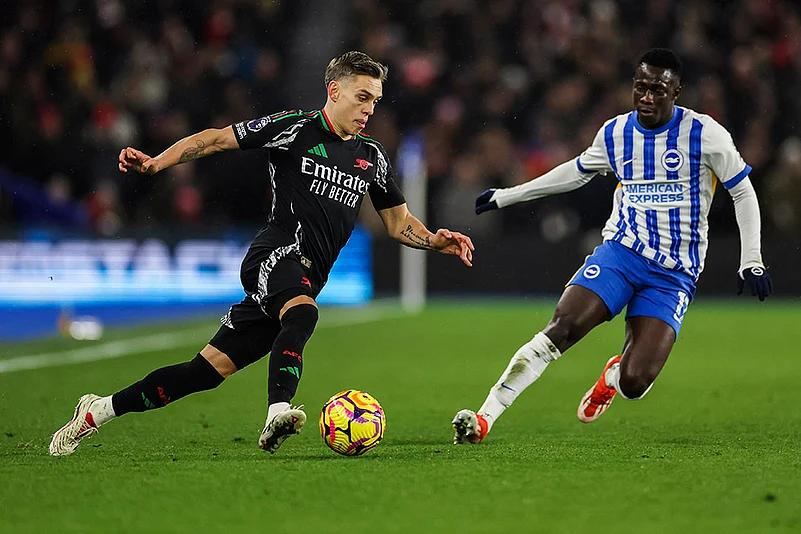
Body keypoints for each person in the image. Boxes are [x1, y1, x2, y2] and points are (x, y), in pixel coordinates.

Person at [49, 51, 475, 456]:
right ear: (334, 90)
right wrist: (157, 164)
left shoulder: (372, 157)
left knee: (203, 372)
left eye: (376, 101)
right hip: (275, 255)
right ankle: (277, 415)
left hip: (307, 276)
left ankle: (95, 411)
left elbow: (398, 223)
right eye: (362, 97)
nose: (369, 109)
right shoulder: (295, 127)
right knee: (304, 314)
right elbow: (215, 140)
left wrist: (435, 241)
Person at [451, 48, 771, 444]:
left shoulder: (706, 135)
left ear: (677, 91)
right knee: (561, 328)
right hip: (621, 252)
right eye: (640, 88)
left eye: (658, 89)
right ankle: (484, 418)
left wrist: (751, 260)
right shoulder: (616, 133)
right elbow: (576, 171)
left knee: (636, 382)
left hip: (674, 273)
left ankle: (613, 376)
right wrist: (509, 195)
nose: (647, 98)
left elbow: (743, 193)